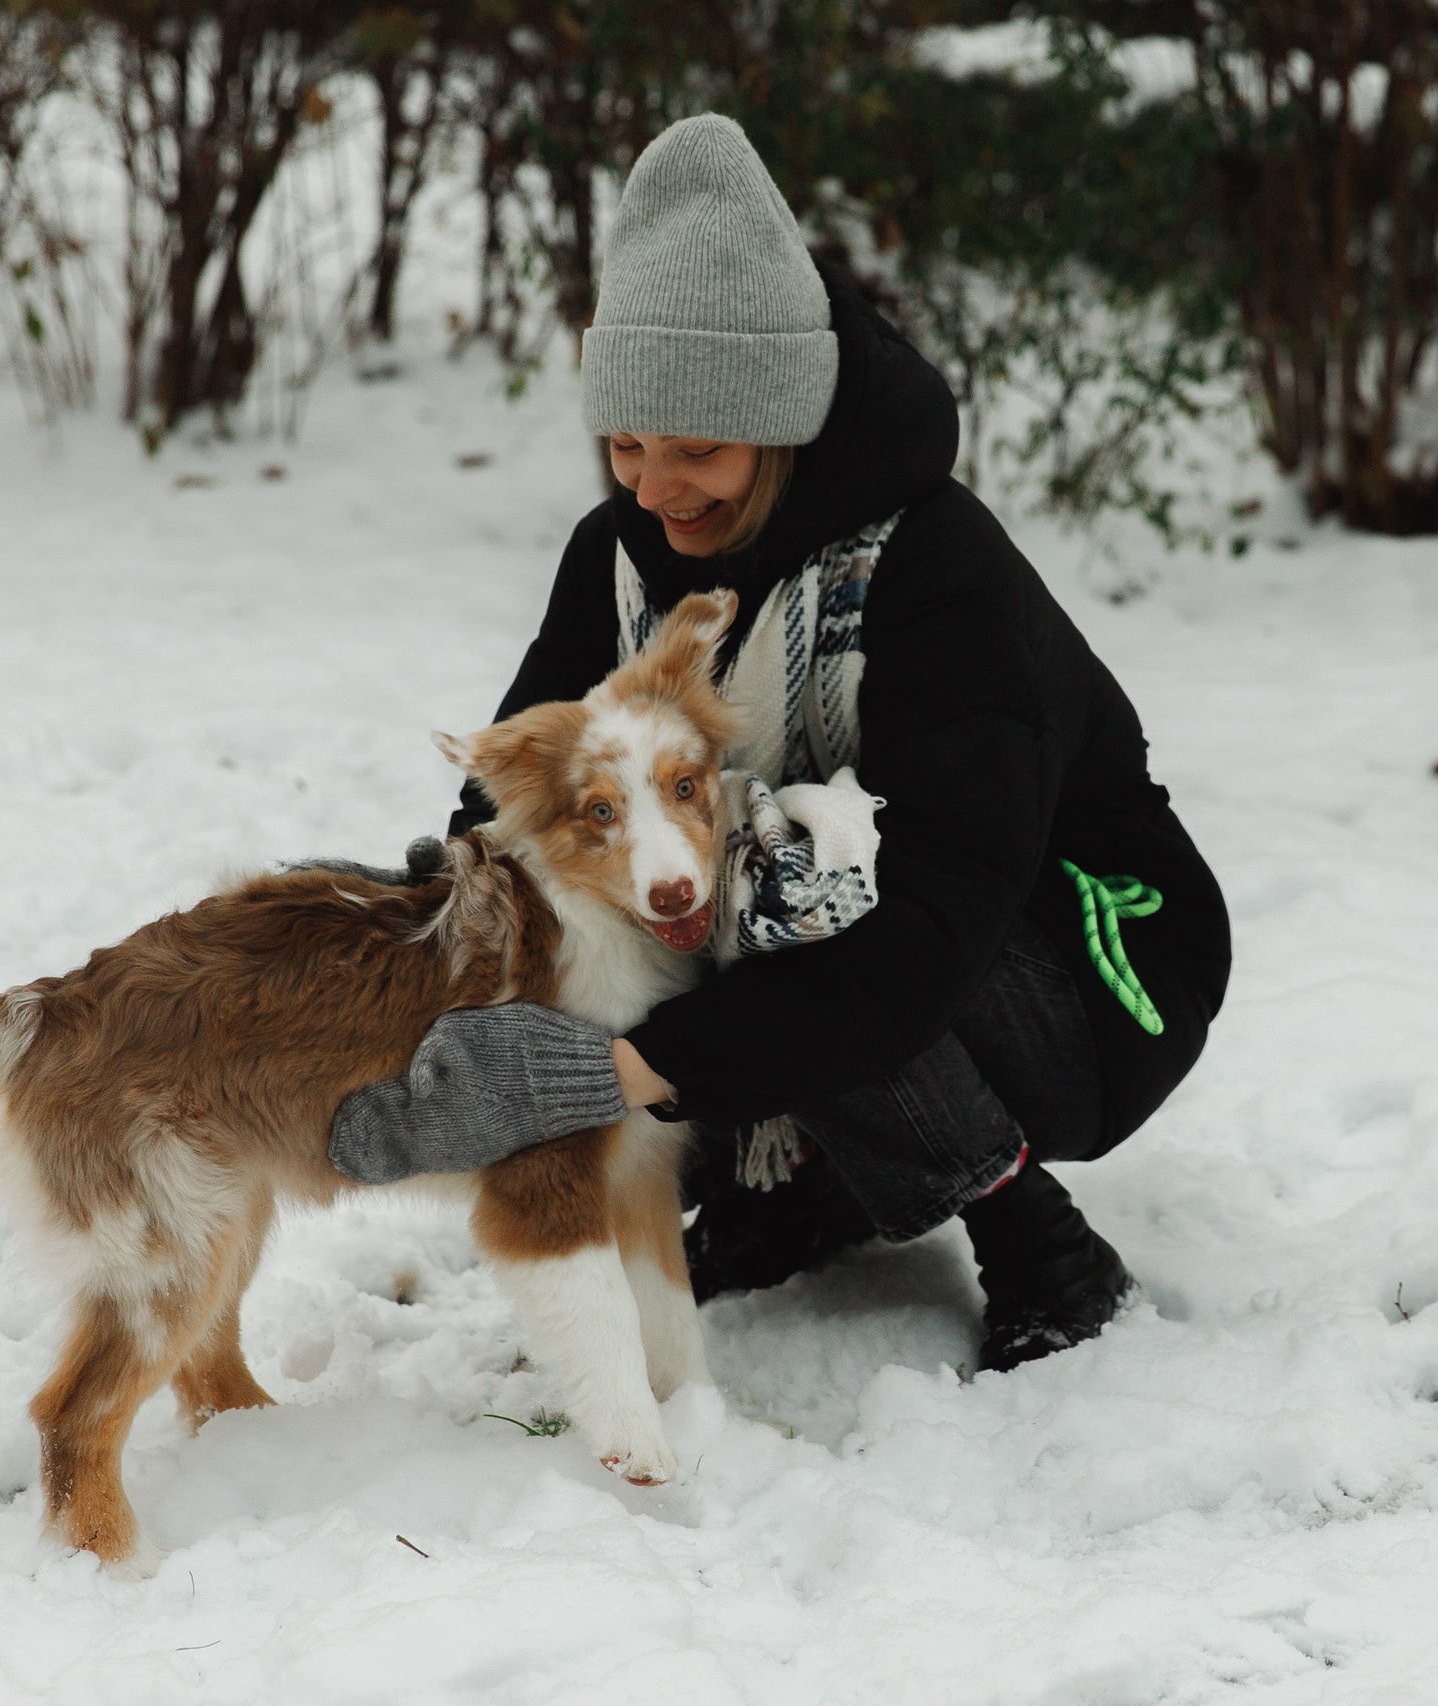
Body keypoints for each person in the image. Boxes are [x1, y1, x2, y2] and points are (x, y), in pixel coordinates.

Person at [328, 114, 1228, 1373]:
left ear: (785, 422)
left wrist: (622, 1072)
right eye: (626, 444)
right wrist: (458, 918)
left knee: (791, 887)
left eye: (695, 449)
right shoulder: (621, 552)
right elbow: (530, 789)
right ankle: (795, 1180)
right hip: (857, 931)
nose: (652, 487)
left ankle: (1037, 1235)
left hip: (1073, 954)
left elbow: (924, 927)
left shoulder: (938, 575)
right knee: (649, 880)